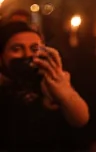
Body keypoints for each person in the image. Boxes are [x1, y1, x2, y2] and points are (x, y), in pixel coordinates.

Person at [0, 21, 90, 151]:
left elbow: (81, 120)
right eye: (17, 49)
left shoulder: (50, 81)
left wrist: (64, 92)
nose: (27, 55)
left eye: (34, 49)